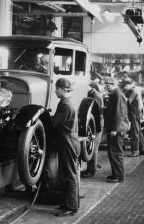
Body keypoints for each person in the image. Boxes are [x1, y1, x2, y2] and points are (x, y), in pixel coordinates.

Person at [52, 78, 81, 217]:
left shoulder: (65, 105)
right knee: (66, 174)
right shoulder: (67, 102)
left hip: (67, 142)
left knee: (69, 175)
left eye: (57, 88)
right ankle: (67, 203)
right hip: (68, 141)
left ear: (63, 89)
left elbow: (55, 123)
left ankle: (71, 207)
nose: (55, 90)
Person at [104, 78, 130, 183]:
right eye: (106, 85)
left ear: (115, 84)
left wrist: (114, 129)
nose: (107, 87)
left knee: (116, 152)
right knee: (112, 152)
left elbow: (118, 113)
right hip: (115, 128)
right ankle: (115, 174)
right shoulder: (115, 94)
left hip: (117, 129)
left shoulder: (117, 95)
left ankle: (119, 176)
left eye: (109, 85)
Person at [81, 80, 104, 178]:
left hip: (97, 125)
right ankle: (91, 168)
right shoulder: (93, 94)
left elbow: (97, 114)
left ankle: (91, 170)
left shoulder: (96, 96)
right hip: (94, 124)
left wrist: (95, 129)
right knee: (92, 147)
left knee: (92, 147)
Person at [120, 77, 144, 157]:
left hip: (135, 112)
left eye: (125, 85)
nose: (124, 87)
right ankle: (142, 149)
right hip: (136, 112)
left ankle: (135, 151)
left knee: (134, 132)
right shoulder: (135, 89)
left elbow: (125, 100)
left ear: (130, 84)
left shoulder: (133, 91)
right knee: (138, 131)